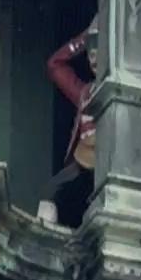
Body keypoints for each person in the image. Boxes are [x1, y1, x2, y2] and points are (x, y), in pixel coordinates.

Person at [37, 18, 97, 228]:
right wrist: (85, 38)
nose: (94, 59)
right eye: (91, 54)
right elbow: (55, 65)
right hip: (83, 159)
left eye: (100, 52)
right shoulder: (84, 92)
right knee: (51, 190)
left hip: (105, 161)